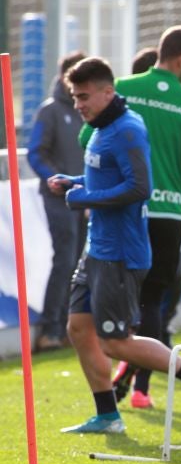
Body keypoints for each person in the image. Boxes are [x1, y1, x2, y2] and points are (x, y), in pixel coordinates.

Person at [51, 56, 181, 434]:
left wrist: (86, 198)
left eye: (84, 97)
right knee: (79, 328)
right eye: (74, 98)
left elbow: (139, 188)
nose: (78, 105)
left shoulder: (127, 129)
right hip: (97, 249)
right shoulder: (100, 126)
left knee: (115, 343)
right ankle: (108, 415)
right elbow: (103, 172)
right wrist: (74, 180)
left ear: (108, 92)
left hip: (120, 254)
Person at [111, 27, 181, 409]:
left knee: (119, 297)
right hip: (168, 213)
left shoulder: (121, 87)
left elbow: (88, 141)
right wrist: (178, 187)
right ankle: (141, 389)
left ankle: (123, 374)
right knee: (154, 301)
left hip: (127, 208)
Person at [27, 50, 88, 352]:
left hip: (86, 198)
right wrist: (56, 179)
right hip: (58, 198)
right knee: (64, 260)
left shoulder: (86, 111)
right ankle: (49, 328)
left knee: (80, 264)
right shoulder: (50, 111)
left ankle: (67, 327)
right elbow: (35, 152)